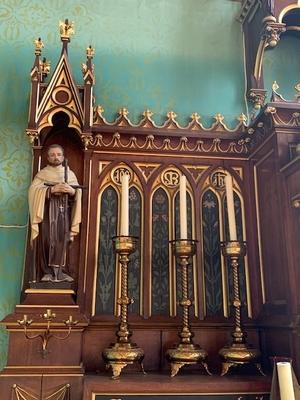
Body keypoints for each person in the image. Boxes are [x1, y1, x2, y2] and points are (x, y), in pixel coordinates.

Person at [28, 144, 82, 282]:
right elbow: (33, 192)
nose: (56, 157)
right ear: (47, 158)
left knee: (62, 239)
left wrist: (72, 191)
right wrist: (51, 190)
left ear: (63, 157)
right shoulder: (42, 174)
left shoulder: (69, 174)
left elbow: (78, 192)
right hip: (47, 213)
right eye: (52, 155)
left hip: (64, 212)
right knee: (47, 240)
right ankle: (47, 272)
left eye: (58, 154)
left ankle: (61, 272)